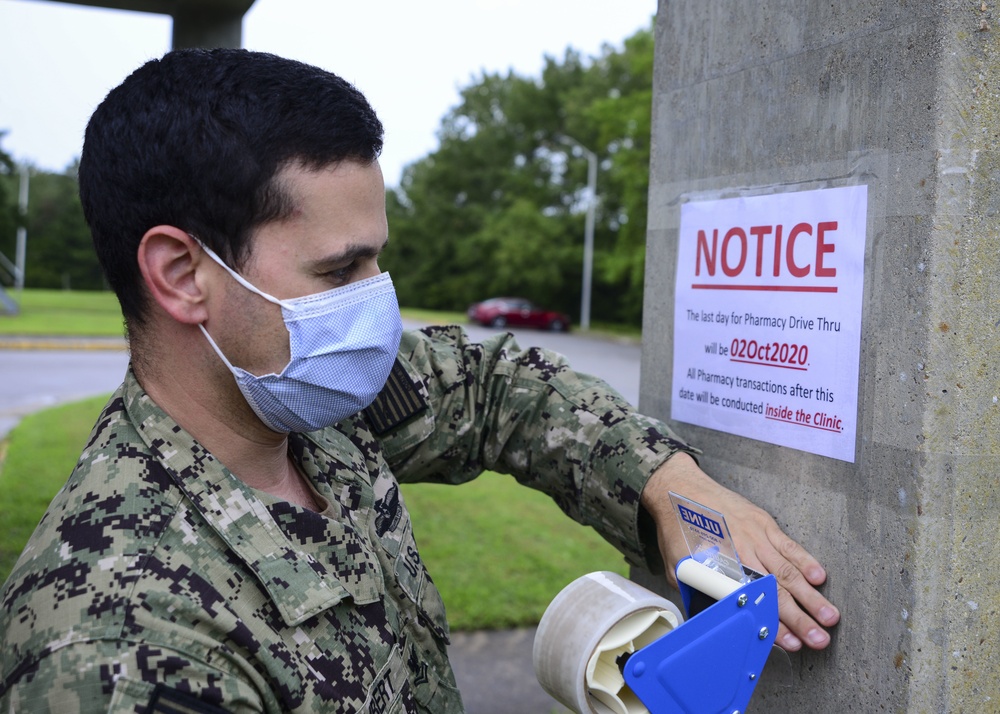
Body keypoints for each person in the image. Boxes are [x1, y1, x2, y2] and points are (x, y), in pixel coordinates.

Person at [0, 48, 839, 713]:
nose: (377, 304)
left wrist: (668, 485)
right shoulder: (120, 646)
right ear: (183, 273)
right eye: (341, 271)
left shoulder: (309, 401)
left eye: (379, 258)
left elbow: (499, 390)